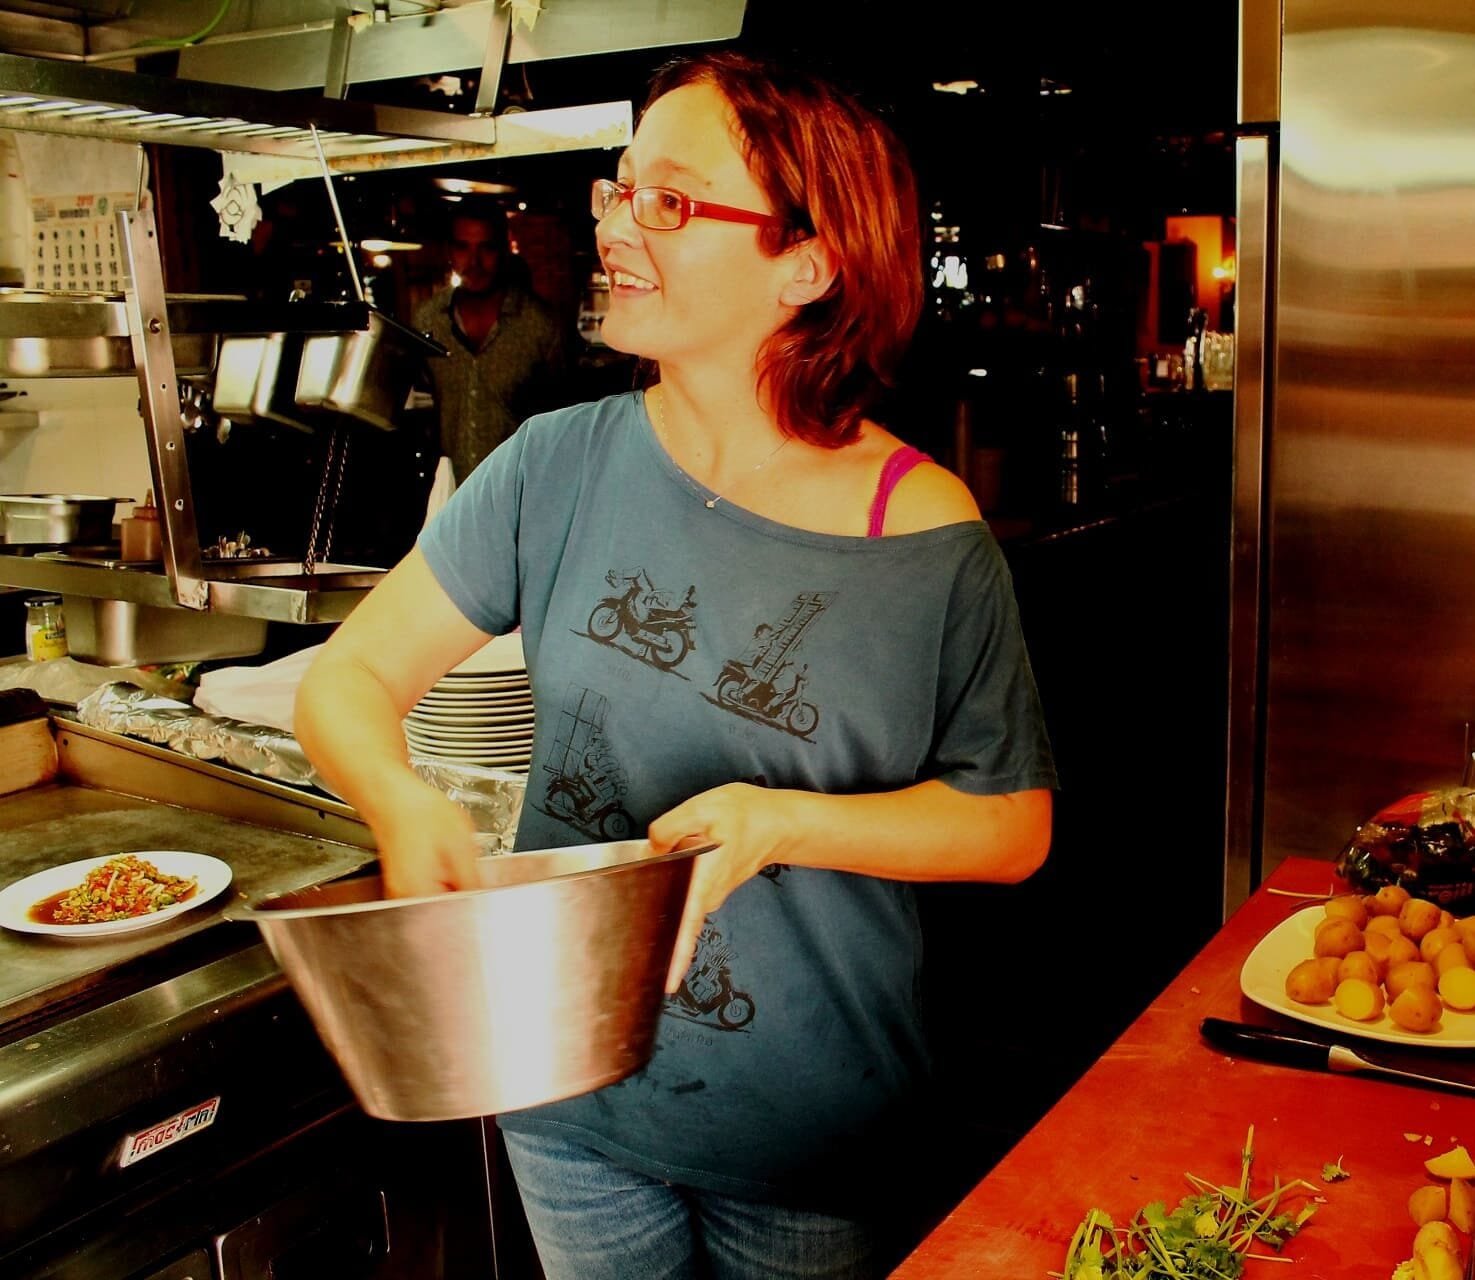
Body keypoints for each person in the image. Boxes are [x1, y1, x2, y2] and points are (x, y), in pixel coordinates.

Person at [295, 49, 1057, 1280]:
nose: (613, 226)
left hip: (811, 1125)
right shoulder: (556, 464)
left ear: (804, 265)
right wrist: (400, 796)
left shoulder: (921, 532)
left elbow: (1008, 823)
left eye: (670, 199)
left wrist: (777, 823)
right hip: (566, 1096)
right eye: (617, 188)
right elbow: (351, 675)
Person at [412, 196, 569, 482]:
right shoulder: (427, 320)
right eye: (463, 247)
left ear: (504, 251)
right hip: (451, 496)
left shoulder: (539, 326)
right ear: (450, 251)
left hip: (522, 493)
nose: (474, 262)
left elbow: (562, 425)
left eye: (487, 248)